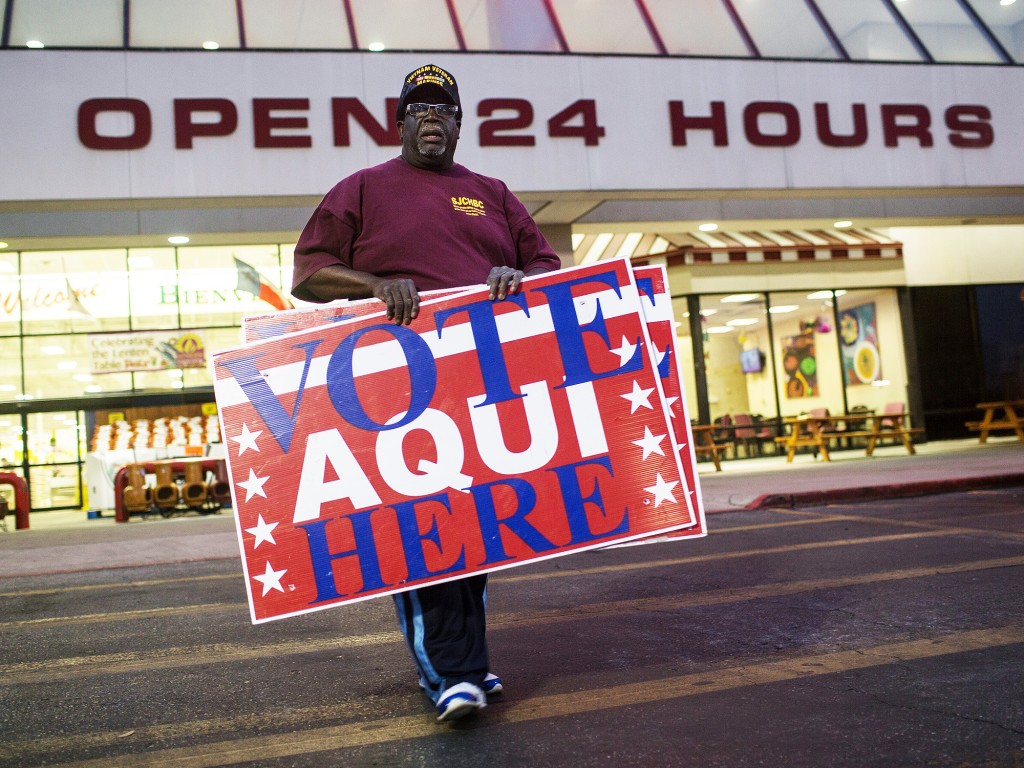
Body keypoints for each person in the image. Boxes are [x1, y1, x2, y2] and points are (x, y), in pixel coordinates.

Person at [291, 63, 561, 722]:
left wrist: (517, 275)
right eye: (419, 109)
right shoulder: (362, 189)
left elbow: (549, 267)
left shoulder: (492, 192)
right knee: (422, 527)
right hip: (397, 385)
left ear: (460, 123)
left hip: (482, 385)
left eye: (444, 109)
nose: (431, 119)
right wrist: (375, 284)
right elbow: (310, 273)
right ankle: (454, 672)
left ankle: (460, 660)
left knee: (476, 524)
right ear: (402, 121)